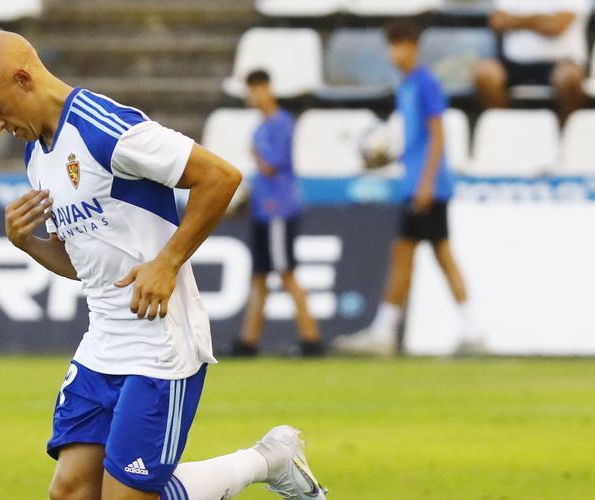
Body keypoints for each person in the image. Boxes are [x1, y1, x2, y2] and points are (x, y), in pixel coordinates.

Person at [0, 31, 328, 500]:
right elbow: (85, 264)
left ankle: (269, 461)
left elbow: (221, 177)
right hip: (104, 339)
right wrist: (29, 245)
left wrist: (168, 262)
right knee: (71, 496)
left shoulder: (105, 128)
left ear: (24, 78)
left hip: (161, 340)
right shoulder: (37, 155)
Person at [337, 21, 482, 357]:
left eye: (399, 44)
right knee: (423, 254)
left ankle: (386, 331)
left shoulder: (425, 82)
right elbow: (414, 139)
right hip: (416, 182)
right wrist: (386, 158)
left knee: (415, 254)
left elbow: (437, 134)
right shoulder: (406, 86)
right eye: (390, 45)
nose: (394, 52)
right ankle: (468, 328)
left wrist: (427, 183)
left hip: (425, 186)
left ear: (414, 46)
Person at [232, 70, 323, 358]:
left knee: (286, 273)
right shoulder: (263, 127)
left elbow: (271, 166)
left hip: (277, 210)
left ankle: (311, 336)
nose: (252, 96)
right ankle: (249, 340)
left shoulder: (280, 124)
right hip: (264, 209)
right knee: (259, 275)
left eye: (255, 89)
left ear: (267, 89)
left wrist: (255, 153)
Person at [474, 0, 590, 124]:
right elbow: (497, 22)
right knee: (485, 74)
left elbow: (555, 27)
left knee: (570, 78)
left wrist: (515, 20)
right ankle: (504, 128)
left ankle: (565, 132)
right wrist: (542, 20)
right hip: (514, 62)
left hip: (562, 62)